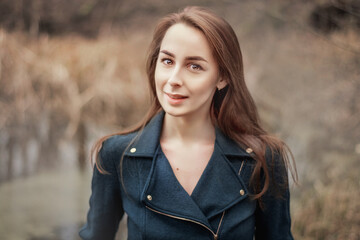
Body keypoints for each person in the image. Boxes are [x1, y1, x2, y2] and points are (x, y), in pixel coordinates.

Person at [79, 6, 297, 240]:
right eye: (167, 61)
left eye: (194, 66)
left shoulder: (263, 159)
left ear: (222, 77)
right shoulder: (117, 156)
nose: (173, 80)